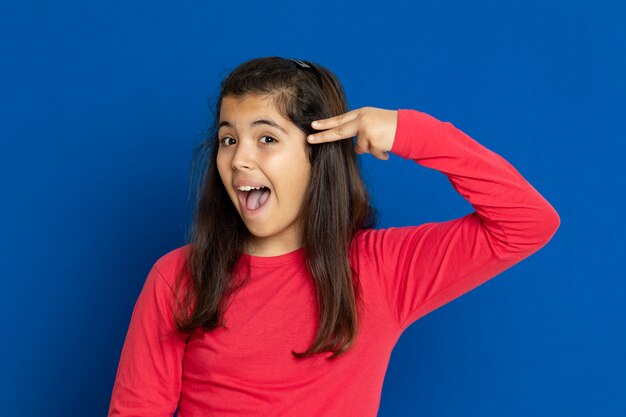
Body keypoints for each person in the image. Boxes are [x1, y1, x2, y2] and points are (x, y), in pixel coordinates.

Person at [107, 56, 560, 417]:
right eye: (228, 139)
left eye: (266, 138)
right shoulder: (178, 277)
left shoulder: (381, 270)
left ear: (317, 154)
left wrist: (412, 132)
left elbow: (528, 222)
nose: (240, 159)